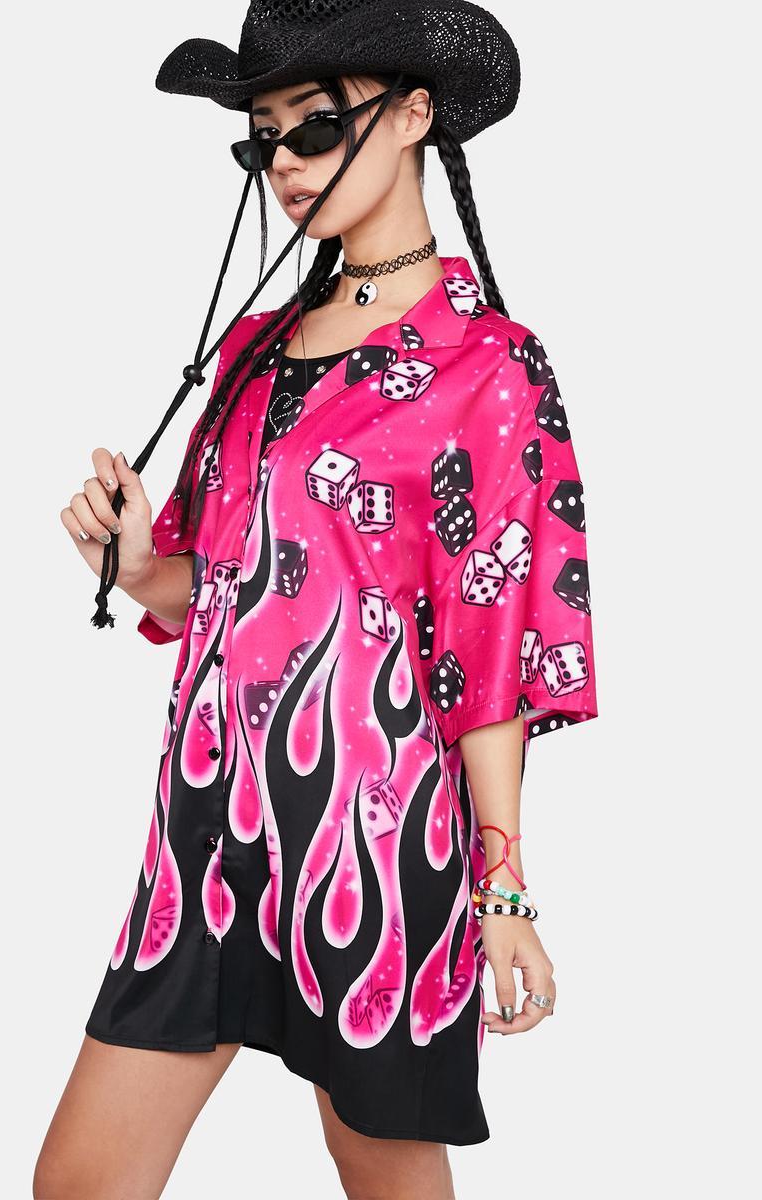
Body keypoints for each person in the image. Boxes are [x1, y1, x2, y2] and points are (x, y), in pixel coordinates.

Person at [36, 4, 599, 1198]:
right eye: (264, 139)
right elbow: (217, 583)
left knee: (380, 1172)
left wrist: (504, 887)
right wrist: (135, 564)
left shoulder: (489, 367)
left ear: (412, 114)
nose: (285, 162)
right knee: (79, 1182)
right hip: (204, 837)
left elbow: (489, 649)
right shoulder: (254, 348)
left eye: (316, 125)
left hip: (377, 843)